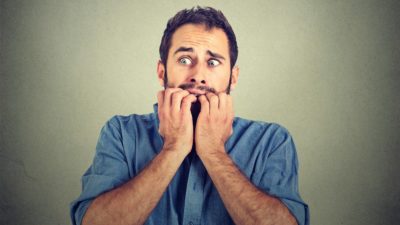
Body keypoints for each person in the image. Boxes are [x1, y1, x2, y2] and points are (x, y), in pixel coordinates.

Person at [70, 6, 309, 225]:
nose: (198, 75)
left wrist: (214, 152)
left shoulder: (272, 141)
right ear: (162, 71)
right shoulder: (121, 133)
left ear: (233, 78)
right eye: (185, 59)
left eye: (213, 62)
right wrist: (173, 148)